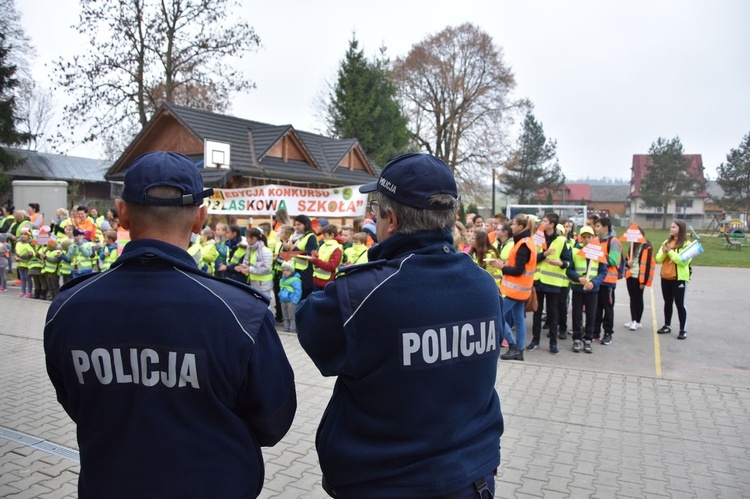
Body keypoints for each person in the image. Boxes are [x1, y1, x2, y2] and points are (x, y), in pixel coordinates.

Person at [44, 151, 296, 498]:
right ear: (199, 219)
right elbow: (273, 420)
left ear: (121, 214)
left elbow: (75, 400)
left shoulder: (68, 307)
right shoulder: (240, 313)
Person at [296, 153, 504, 498]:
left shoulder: (365, 291)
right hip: (470, 477)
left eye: (375, 212)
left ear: (390, 220)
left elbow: (311, 325)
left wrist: (374, 265)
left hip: (384, 482)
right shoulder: (483, 284)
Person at [527, 213, 572, 354]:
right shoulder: (537, 239)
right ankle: (535, 341)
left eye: (545, 221)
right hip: (538, 280)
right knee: (536, 312)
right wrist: (544, 255)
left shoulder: (561, 241)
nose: (542, 223)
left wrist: (561, 263)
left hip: (553, 282)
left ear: (552, 224)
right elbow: (532, 258)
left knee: (553, 313)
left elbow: (569, 261)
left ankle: (553, 343)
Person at [566, 226, 607, 353]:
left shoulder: (599, 252)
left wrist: (594, 283)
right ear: (580, 238)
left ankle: (588, 339)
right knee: (577, 314)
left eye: (589, 237)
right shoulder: (574, 251)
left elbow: (603, 272)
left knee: (591, 315)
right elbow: (569, 270)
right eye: (584, 237)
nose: (587, 240)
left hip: (592, 290)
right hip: (578, 288)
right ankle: (577, 338)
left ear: (593, 237)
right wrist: (579, 278)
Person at [655, 220, 692, 340]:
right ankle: (667, 325)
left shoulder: (687, 244)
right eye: (671, 227)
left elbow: (683, 260)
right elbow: (658, 258)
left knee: (680, 304)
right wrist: (665, 252)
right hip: (665, 277)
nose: (671, 229)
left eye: (674, 227)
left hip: (678, 278)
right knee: (667, 302)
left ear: (680, 229)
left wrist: (670, 251)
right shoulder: (666, 242)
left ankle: (682, 329)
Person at [593, 217, 621, 345]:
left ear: (606, 227)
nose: (595, 228)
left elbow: (614, 261)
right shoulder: (595, 240)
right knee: (596, 307)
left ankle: (608, 333)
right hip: (596, 280)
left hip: (608, 281)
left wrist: (599, 257)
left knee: (607, 308)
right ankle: (595, 332)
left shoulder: (614, 242)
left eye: (598, 226)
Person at [623, 226, 655, 331]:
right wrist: (628, 263)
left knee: (638, 298)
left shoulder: (647, 247)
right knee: (632, 298)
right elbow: (626, 261)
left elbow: (648, 265)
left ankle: (637, 321)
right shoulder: (632, 246)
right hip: (630, 275)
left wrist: (644, 281)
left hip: (639, 277)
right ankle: (633, 320)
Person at [241, 227, 275, 311]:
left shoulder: (265, 251)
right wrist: (244, 267)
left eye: (247, 238)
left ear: (254, 238)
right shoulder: (251, 249)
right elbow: (252, 264)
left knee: (265, 305)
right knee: (257, 304)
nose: (246, 240)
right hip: (255, 281)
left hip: (263, 284)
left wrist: (249, 269)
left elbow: (266, 268)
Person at [287, 214, 318, 299]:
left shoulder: (311, 236)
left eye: (299, 225)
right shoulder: (294, 236)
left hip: (305, 272)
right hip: (293, 269)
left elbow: (310, 254)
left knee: (303, 298)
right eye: (295, 224)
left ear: (306, 225)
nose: (296, 227)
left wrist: (294, 249)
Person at [278, 261, 302, 333]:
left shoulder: (295, 280)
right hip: (283, 300)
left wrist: (294, 301)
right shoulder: (282, 279)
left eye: (287, 270)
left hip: (291, 301)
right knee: (285, 316)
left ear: (291, 271)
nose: (285, 272)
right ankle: (286, 329)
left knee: (292, 317)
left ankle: (292, 329)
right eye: (284, 270)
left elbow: (298, 291)